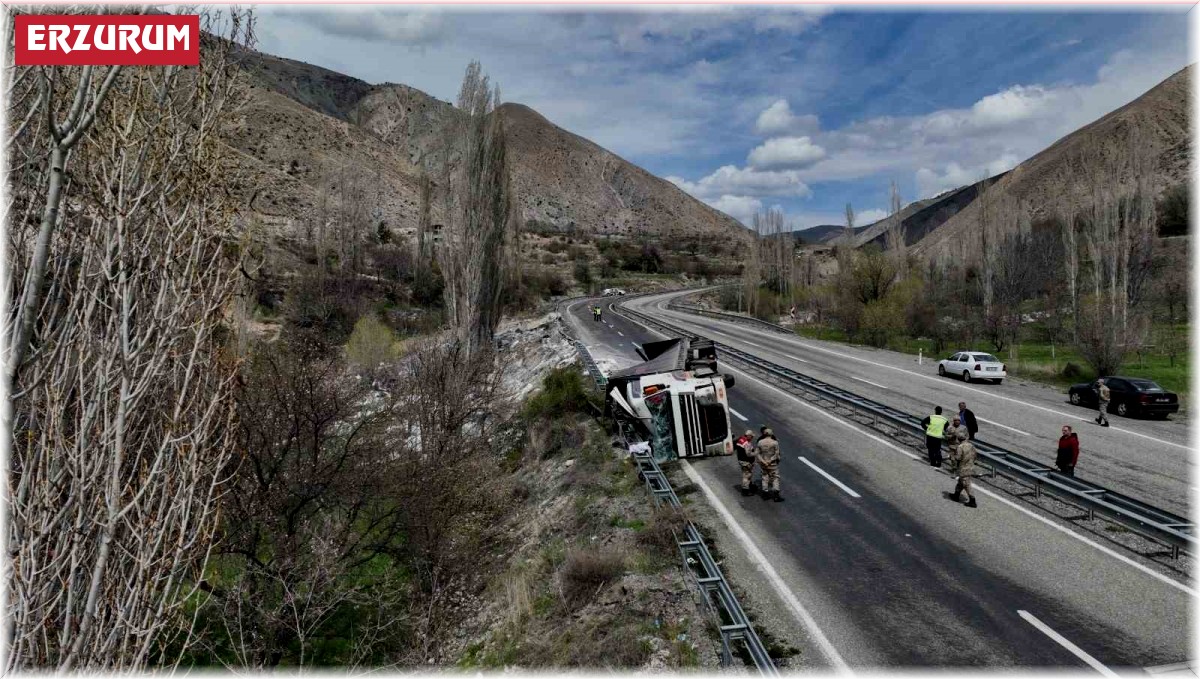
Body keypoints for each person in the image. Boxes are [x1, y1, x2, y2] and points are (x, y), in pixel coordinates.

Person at [948, 430, 978, 508]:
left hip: (963, 468)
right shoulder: (971, 445)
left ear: (959, 439)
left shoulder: (960, 447)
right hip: (970, 466)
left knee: (966, 484)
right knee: (961, 482)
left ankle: (972, 501)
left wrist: (952, 457)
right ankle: (956, 495)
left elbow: (958, 458)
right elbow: (975, 455)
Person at [755, 427, 783, 502]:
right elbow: (777, 454)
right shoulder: (774, 442)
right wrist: (770, 461)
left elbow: (757, 453)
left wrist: (763, 461)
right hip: (772, 464)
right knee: (775, 478)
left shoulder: (760, 442)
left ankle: (765, 494)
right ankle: (776, 495)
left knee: (765, 477)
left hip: (763, 463)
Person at [735, 429, 757, 496]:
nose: (752, 438)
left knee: (748, 474)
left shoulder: (741, 439)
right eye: (751, 436)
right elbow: (748, 454)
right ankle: (745, 491)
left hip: (741, 460)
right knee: (746, 476)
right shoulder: (746, 443)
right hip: (745, 462)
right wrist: (756, 453)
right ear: (748, 436)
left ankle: (749, 485)